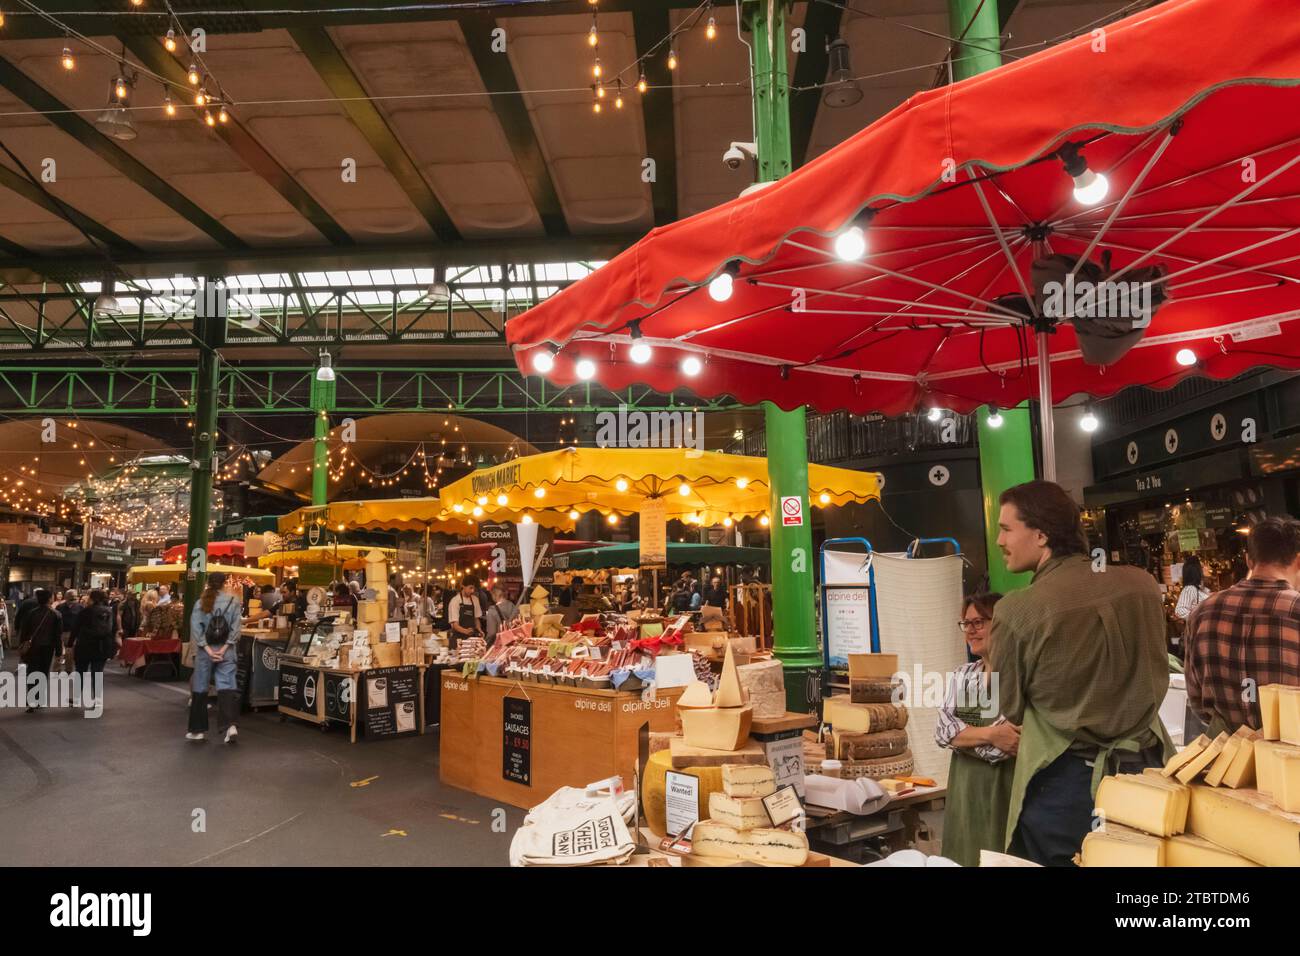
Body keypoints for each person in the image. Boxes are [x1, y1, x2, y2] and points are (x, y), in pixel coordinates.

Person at [988, 480, 1171, 867]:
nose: (999, 540)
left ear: (1040, 534)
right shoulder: (1142, 585)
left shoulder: (1017, 611)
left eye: (1006, 528)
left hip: (1066, 783)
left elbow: (1010, 706)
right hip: (1149, 771)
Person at [1184, 517, 1300, 737]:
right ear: (1298, 561)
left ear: (1248, 561)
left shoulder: (1202, 612)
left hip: (1225, 760)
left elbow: (1196, 700)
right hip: (1292, 761)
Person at [936, 592, 1018, 867]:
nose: (970, 630)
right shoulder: (962, 675)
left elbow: (1006, 748)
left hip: (1000, 792)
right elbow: (943, 731)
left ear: (1002, 624)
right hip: (963, 792)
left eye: (979, 622)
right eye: (965, 623)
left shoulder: (1017, 677)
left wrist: (964, 737)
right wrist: (992, 733)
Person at [187, 572, 242, 744]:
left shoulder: (200, 603)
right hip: (227, 651)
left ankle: (198, 730)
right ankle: (230, 726)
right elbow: (236, 629)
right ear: (225, 584)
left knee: (200, 686)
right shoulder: (233, 602)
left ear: (208, 583)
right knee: (227, 686)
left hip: (205, 651)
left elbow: (196, 629)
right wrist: (224, 647)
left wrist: (209, 650)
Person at [17, 589, 61, 714]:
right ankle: (40, 699)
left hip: (32, 648)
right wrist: (58, 651)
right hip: (47, 648)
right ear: (49, 599)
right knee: (43, 672)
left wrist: (22, 647)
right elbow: (57, 635)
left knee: (32, 672)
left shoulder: (31, 613)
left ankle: (31, 700)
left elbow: (25, 632)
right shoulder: (56, 614)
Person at [69, 589, 118, 698]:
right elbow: (113, 629)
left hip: (85, 645)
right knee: (97, 673)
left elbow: (76, 628)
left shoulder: (85, 611)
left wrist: (70, 643)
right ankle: (97, 698)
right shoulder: (109, 612)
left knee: (80, 671)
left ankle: (76, 696)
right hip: (102, 646)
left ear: (92, 598)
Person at [447, 576, 484, 649]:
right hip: (458, 640)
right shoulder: (455, 601)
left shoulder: (475, 600)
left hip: (472, 640)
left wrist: (479, 630)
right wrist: (465, 631)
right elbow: (455, 625)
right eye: (470, 588)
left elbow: (476, 619)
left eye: (474, 588)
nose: (472, 591)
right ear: (463, 586)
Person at [1174, 555, 1211, 621]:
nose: (1205, 568)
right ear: (1196, 570)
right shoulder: (1190, 588)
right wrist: (1199, 617)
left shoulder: (1200, 588)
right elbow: (1180, 610)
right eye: (1201, 567)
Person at [58, 588, 82, 659]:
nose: (73, 598)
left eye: (75, 596)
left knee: (70, 653)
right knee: (59, 653)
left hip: (74, 633)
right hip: (62, 632)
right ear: (66, 597)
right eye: (71, 596)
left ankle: (69, 669)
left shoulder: (80, 607)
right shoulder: (60, 607)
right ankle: (57, 669)